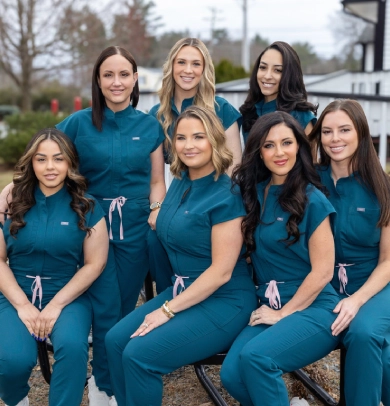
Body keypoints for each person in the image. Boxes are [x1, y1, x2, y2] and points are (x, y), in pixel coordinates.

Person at [105, 106, 257, 406]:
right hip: (184, 292)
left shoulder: (226, 194)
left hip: (225, 300)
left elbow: (221, 272)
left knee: (140, 356)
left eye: (198, 137)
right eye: (181, 137)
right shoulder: (180, 183)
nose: (189, 145)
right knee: (114, 341)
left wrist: (166, 310)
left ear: (214, 140)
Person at [220, 111, 340, 406]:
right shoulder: (252, 194)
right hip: (269, 305)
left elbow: (324, 271)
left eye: (286, 143)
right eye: (269, 145)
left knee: (257, 359)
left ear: (299, 147)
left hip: (313, 307)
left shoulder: (313, 199)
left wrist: (284, 313)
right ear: (258, 152)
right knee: (232, 376)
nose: (279, 152)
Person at [0, 128, 108, 406]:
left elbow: (94, 264)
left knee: (73, 349)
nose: (50, 167)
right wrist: (23, 305)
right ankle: (16, 399)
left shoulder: (87, 206)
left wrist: (57, 304)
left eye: (58, 159)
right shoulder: (10, 204)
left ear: (70, 163)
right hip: (15, 293)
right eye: (41, 159)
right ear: (30, 163)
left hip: (67, 293)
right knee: (12, 360)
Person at [309, 99, 390, 406]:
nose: (335, 138)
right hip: (325, 286)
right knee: (381, 353)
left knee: (365, 332)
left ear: (361, 133)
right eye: (327, 131)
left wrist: (356, 300)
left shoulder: (383, 187)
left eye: (344, 129)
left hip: (376, 285)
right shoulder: (309, 183)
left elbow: (388, 261)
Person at [148, 36, 242, 293]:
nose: (188, 70)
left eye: (195, 64)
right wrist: (158, 207)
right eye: (181, 62)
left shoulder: (221, 109)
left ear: (204, 70)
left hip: (211, 199)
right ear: (171, 67)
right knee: (152, 238)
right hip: (173, 196)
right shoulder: (157, 114)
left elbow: (233, 168)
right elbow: (155, 173)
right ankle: (168, 294)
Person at [240, 41, 317, 144]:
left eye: (277, 70)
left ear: (290, 75)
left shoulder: (302, 116)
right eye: (263, 67)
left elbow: (311, 159)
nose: (267, 76)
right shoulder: (250, 112)